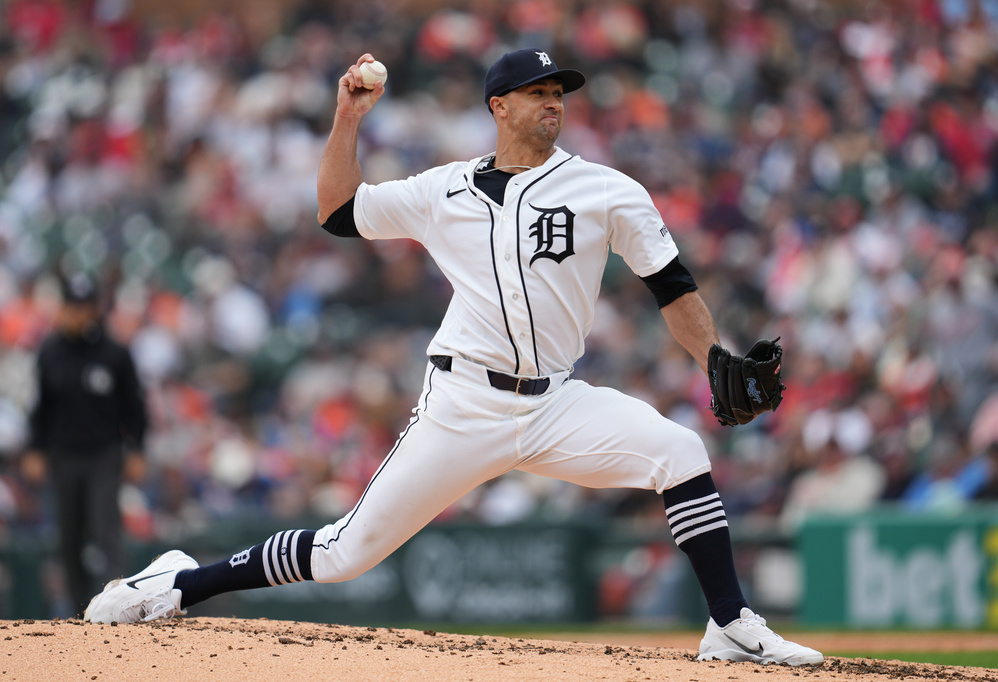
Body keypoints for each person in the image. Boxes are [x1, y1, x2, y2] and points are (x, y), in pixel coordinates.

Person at [84, 49, 823, 667]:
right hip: (464, 403)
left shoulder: (607, 190)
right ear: (499, 105)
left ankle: (729, 623)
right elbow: (338, 212)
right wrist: (347, 120)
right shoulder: (444, 190)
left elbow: (673, 286)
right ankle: (180, 582)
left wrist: (713, 356)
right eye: (538, 92)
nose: (554, 102)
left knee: (680, 450)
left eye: (559, 91)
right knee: (347, 553)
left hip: (556, 402)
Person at [22, 272, 148, 616]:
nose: (80, 313)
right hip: (62, 455)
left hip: (103, 454)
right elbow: (41, 407)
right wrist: (34, 449)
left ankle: (117, 609)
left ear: (95, 308)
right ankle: (81, 612)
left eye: (86, 306)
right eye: (74, 306)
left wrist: (137, 449)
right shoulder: (50, 352)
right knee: (68, 538)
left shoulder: (114, 354)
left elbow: (134, 406)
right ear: (64, 308)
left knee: (105, 531)